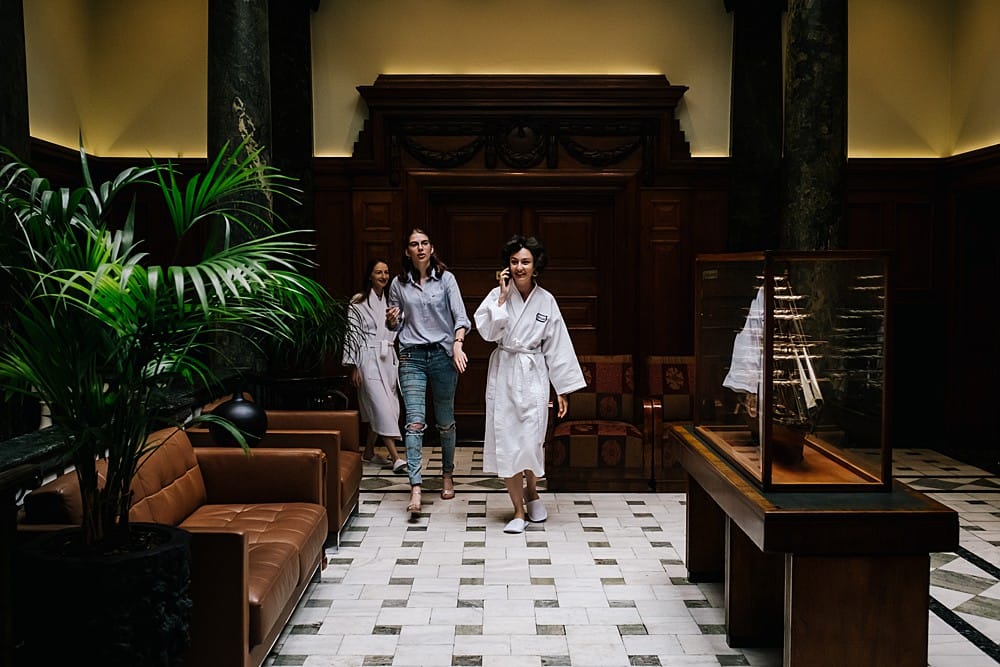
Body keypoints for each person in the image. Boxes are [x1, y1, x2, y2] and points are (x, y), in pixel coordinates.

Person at [474, 235, 585, 534]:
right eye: (514, 262)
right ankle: (518, 510)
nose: (519, 267)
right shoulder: (496, 295)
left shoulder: (546, 300)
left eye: (525, 262)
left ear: (535, 266)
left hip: (534, 373)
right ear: (507, 266)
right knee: (508, 441)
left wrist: (562, 388)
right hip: (505, 372)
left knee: (531, 440)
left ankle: (532, 492)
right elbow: (487, 333)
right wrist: (501, 299)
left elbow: (558, 345)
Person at [387, 228, 470, 515]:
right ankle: (416, 486)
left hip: (443, 355)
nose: (420, 248)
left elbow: (461, 317)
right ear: (407, 251)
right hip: (411, 356)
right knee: (414, 422)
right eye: (414, 244)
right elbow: (395, 325)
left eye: (424, 243)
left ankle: (447, 474)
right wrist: (392, 320)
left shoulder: (446, 279)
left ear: (431, 248)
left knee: (445, 421)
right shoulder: (398, 284)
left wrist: (457, 344)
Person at [342, 259, 407, 473]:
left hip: (387, 359)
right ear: (370, 275)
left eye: (386, 272)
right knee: (381, 407)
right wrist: (354, 366)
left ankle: (369, 451)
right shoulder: (358, 301)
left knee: (388, 407)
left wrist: (394, 323)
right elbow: (352, 334)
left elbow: (398, 329)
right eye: (378, 272)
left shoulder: (392, 302)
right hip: (367, 358)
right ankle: (396, 458)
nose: (383, 276)